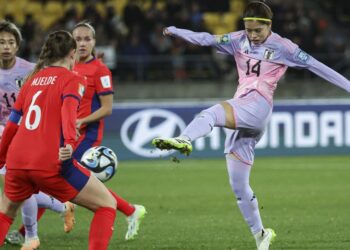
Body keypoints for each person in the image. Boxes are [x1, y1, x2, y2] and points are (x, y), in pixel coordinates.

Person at [152, 1, 350, 250]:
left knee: (211, 113)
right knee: (238, 186)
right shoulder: (237, 39)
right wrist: (176, 30)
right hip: (246, 113)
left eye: (258, 30)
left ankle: (184, 139)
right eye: (249, 30)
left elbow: (319, 68)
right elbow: (205, 39)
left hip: (258, 105)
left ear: (269, 25)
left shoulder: (284, 46)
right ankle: (261, 235)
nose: (253, 35)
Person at [0, 30, 120, 250]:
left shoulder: (31, 80)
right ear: (72, 54)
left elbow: (11, 126)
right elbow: (68, 116)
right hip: (48, 161)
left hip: (16, 160)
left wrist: (1, 159)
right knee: (106, 205)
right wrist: (68, 145)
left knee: (5, 214)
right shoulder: (73, 79)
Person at [0, 20, 76, 250]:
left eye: (10, 42)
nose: (5, 47)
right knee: (17, 191)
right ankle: (62, 207)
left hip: (21, 134)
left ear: (17, 45)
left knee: (16, 189)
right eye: (1, 42)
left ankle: (31, 237)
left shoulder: (31, 70)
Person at [72, 21, 146, 241]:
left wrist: (80, 121)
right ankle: (131, 210)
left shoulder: (100, 70)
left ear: (94, 42)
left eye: (87, 39)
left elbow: (107, 108)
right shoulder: (68, 66)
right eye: (78, 39)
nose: (83, 43)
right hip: (68, 133)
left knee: (69, 180)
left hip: (87, 135)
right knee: (68, 182)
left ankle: (26, 233)